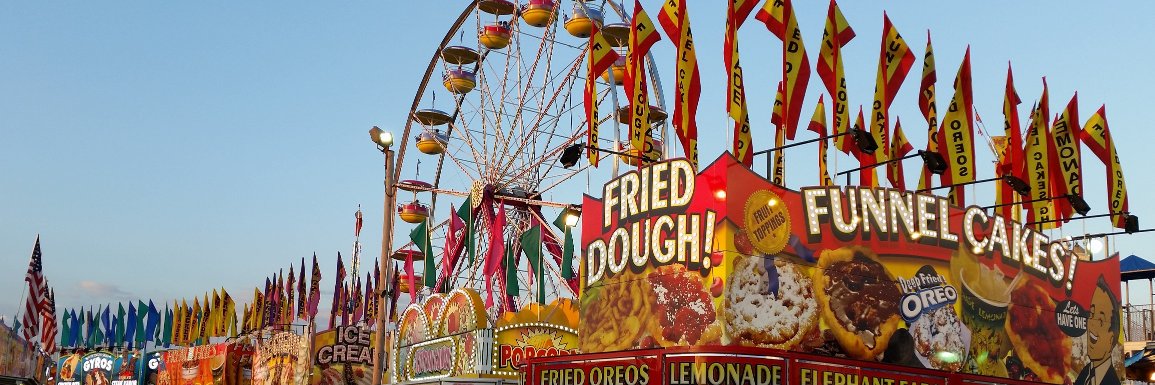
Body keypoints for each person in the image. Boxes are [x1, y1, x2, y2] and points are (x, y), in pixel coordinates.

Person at [1075, 276, 1121, 385]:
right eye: (1091, 313)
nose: (1092, 323)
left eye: (1100, 320)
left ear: (1111, 338)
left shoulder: (1113, 381)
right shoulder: (1084, 374)